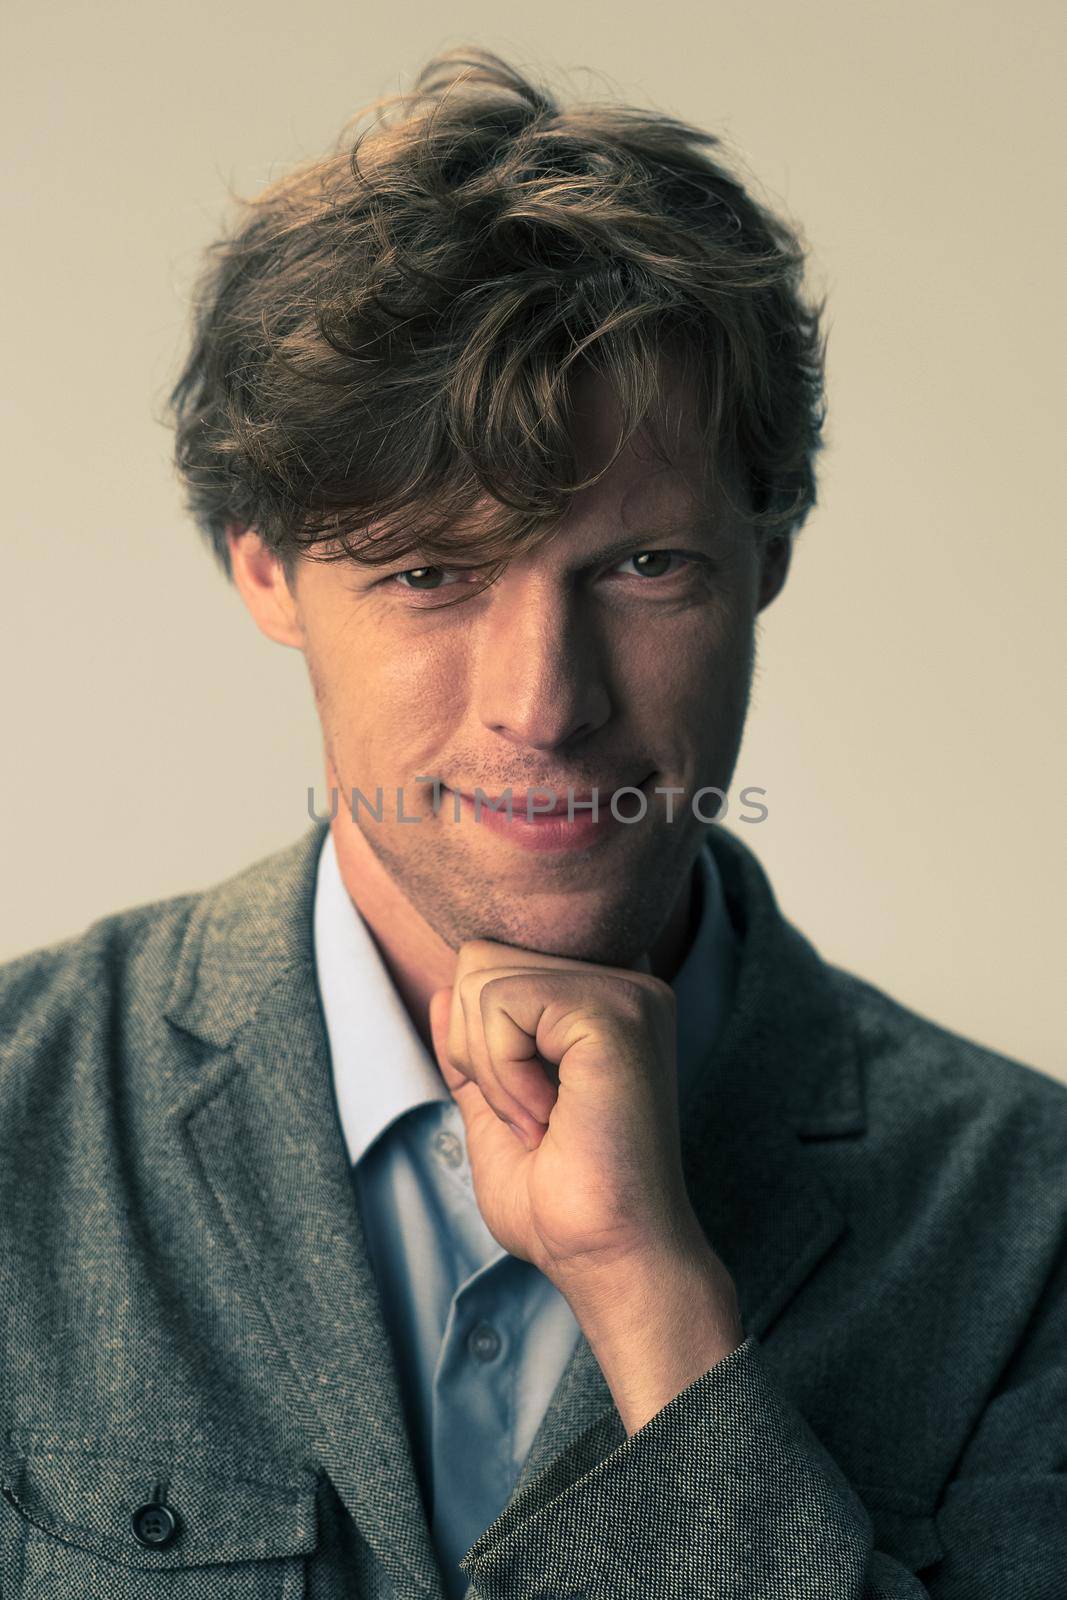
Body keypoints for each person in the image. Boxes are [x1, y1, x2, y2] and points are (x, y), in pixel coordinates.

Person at [0, 44, 1063, 1600]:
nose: (544, 705)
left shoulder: (1033, 1228)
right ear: (264, 571)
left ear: (765, 557)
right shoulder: (23, 1120)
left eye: (642, 568)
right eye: (430, 573)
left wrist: (661, 1311)